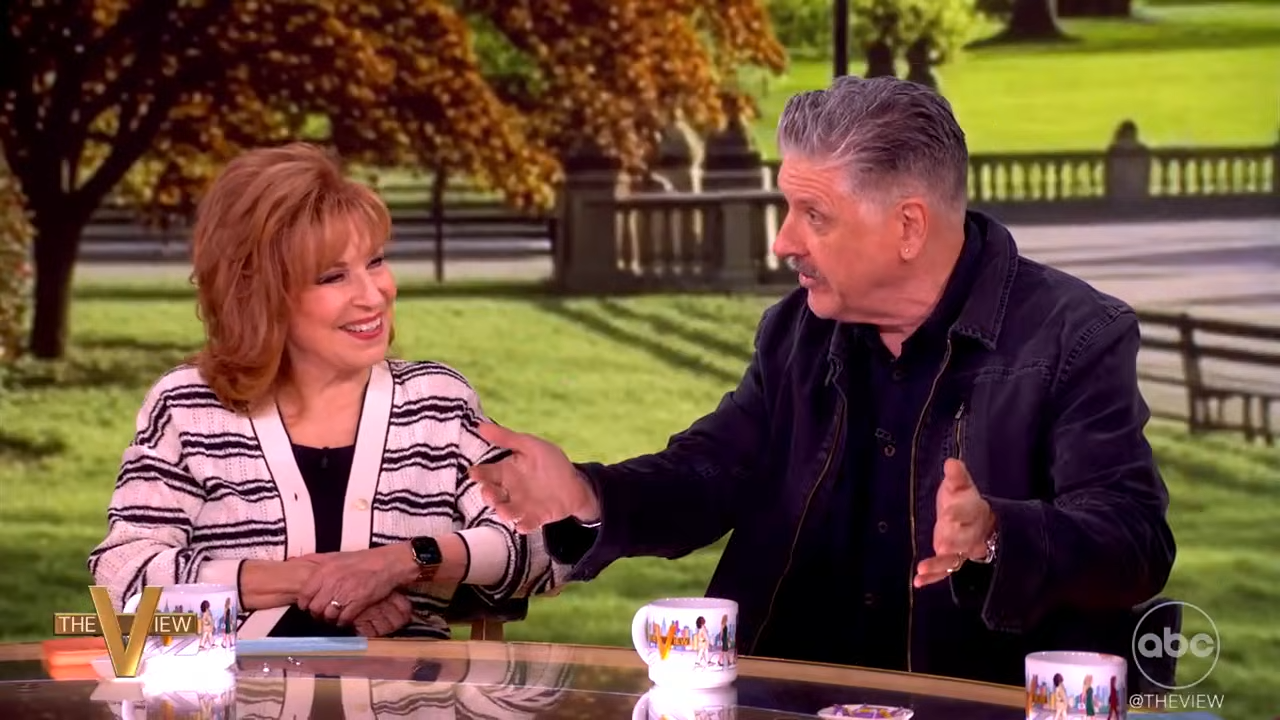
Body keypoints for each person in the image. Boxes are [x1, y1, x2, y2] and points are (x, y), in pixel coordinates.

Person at [468, 76, 1176, 685]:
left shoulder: (1074, 335)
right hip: (784, 700)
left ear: (907, 227)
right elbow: (710, 473)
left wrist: (997, 533)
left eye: (814, 215)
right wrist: (587, 493)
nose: (782, 242)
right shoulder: (796, 332)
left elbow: (1135, 543)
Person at [87, 142, 567, 639]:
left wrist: (402, 563)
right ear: (262, 295)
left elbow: (540, 546)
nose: (373, 294)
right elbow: (123, 575)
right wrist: (303, 583)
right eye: (334, 276)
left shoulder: (436, 402)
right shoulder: (190, 407)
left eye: (375, 262)